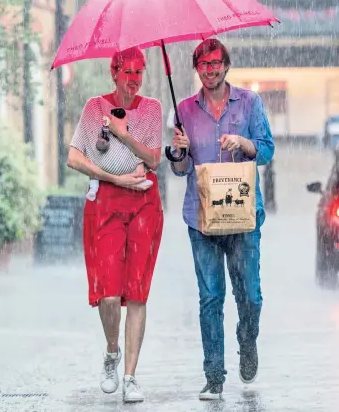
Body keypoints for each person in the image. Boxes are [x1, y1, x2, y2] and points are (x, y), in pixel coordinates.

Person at [171, 38, 274, 400]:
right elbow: (181, 170)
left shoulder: (249, 102)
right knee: (211, 297)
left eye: (216, 63)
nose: (211, 70)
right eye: (204, 65)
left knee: (251, 296)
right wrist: (179, 152)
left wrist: (244, 144)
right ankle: (214, 375)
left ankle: (247, 340)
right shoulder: (183, 109)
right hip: (202, 220)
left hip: (243, 217)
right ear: (197, 69)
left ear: (226, 65)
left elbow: (265, 150)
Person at [67, 47, 164, 403]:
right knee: (109, 293)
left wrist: (123, 134)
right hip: (106, 204)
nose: (135, 78)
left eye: (140, 72)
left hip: (144, 205)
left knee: (137, 291)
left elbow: (154, 158)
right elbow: (74, 157)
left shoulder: (152, 109)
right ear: (115, 74)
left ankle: (131, 377)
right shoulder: (95, 108)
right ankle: (112, 351)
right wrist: (112, 177)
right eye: (128, 72)